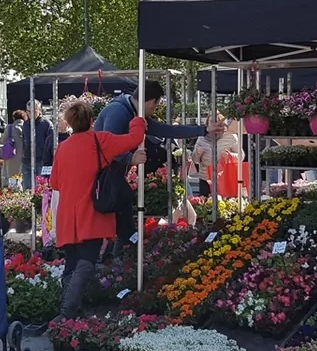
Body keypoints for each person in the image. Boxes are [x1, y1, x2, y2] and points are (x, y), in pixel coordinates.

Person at [94, 81, 226, 258]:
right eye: (156, 105)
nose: (155, 110)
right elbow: (107, 145)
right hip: (103, 177)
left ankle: (123, 261)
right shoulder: (118, 112)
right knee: (121, 218)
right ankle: (122, 262)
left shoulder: (133, 111)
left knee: (124, 218)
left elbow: (166, 130)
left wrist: (203, 129)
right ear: (151, 102)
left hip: (114, 175)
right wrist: (130, 158)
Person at [50, 101, 147, 320]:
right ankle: (66, 313)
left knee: (72, 263)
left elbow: (54, 183)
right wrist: (138, 119)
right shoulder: (99, 139)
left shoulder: (63, 147)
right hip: (90, 211)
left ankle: (70, 311)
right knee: (86, 262)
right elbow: (134, 138)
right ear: (92, 120)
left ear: (70, 122)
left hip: (67, 214)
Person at [191, 112, 242, 197]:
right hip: (205, 178)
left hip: (225, 178)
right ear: (207, 123)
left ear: (222, 123)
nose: (215, 124)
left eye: (217, 121)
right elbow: (194, 160)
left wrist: (231, 155)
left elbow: (241, 156)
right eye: (212, 121)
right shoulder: (201, 137)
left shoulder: (231, 136)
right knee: (205, 205)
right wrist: (197, 153)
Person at [22, 100, 54, 190]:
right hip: (27, 160)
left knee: (41, 188)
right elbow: (23, 141)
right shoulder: (26, 124)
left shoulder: (47, 124)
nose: (31, 113)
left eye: (34, 110)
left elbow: (50, 145)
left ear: (39, 110)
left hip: (41, 161)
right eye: (29, 111)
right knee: (27, 188)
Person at [3, 110, 26, 184]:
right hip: (25, 156)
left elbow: (4, 140)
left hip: (11, 155)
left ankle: (14, 193)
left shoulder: (9, 128)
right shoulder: (28, 127)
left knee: (12, 177)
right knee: (24, 177)